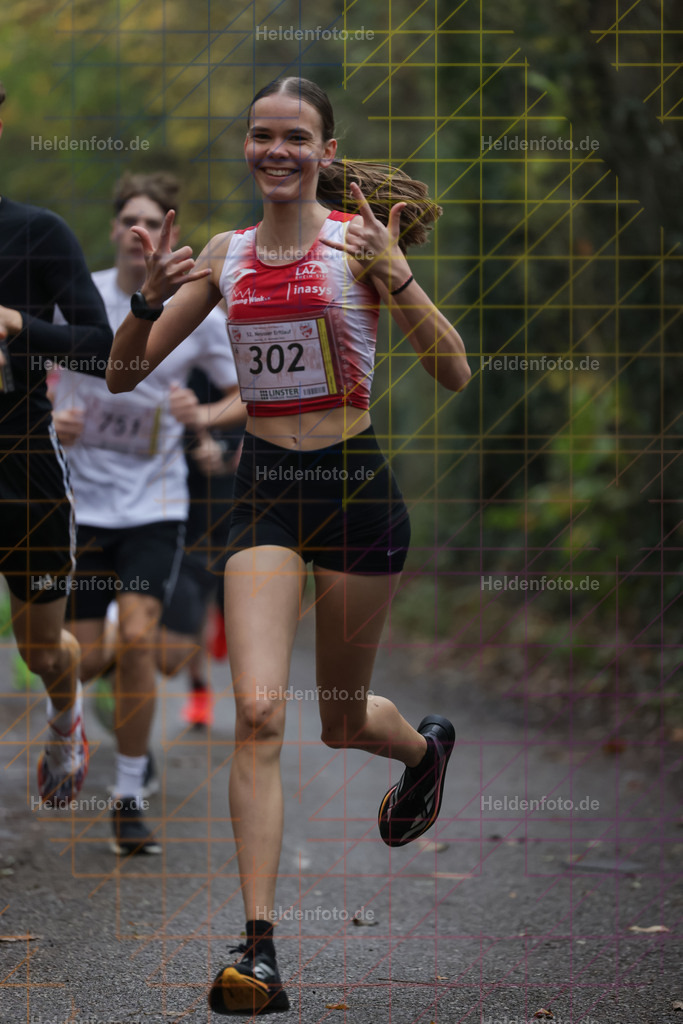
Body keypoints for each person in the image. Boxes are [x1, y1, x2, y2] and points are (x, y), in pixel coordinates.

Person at [106, 77, 471, 1015]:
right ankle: (259, 949)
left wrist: (397, 274)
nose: (276, 150)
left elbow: (454, 371)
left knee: (339, 720)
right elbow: (122, 374)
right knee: (260, 714)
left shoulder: (358, 244)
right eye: (261, 135)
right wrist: (147, 301)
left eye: (295, 137)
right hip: (263, 496)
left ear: (324, 151)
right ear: (247, 145)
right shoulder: (224, 255)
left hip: (355, 493)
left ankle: (420, 752)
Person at [50, 171, 245, 855]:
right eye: (129, 220)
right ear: (113, 230)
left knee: (140, 642)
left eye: (153, 222)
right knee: (78, 657)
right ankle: (68, 719)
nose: (140, 234)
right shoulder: (79, 297)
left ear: (171, 234)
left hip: (155, 507)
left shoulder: (195, 316)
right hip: (80, 506)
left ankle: (128, 797)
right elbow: (25, 371)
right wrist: (50, 421)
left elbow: (250, 390)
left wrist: (206, 416)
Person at [0, 81, 113, 809]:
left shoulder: (38, 232)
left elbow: (103, 349)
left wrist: (18, 325)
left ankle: (66, 719)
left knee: (42, 649)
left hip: (23, 466)